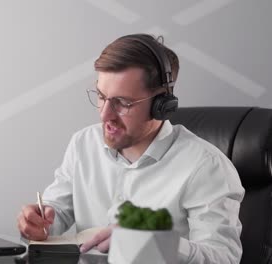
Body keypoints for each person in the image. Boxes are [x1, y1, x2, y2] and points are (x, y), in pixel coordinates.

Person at [16, 33, 244, 263]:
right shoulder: (83, 143)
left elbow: (224, 258)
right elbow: (57, 211)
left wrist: (158, 243)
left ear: (162, 105)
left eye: (123, 103)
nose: (105, 115)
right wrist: (39, 222)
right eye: (101, 96)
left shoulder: (207, 166)